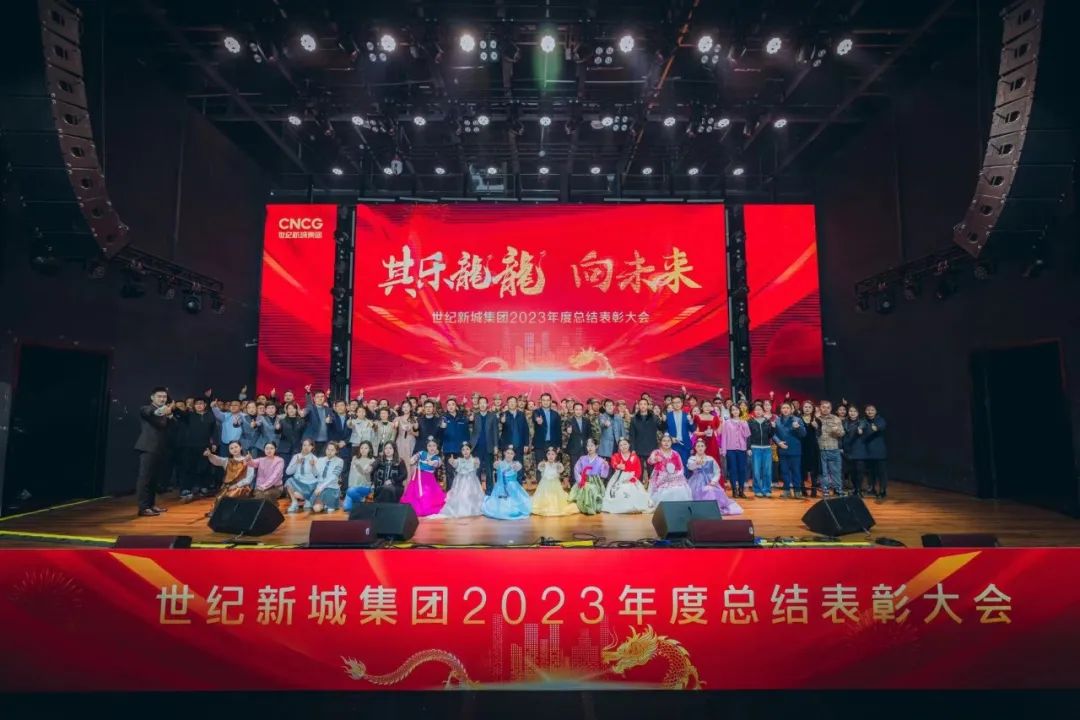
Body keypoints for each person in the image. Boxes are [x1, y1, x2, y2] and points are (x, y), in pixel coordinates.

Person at [134, 387, 175, 516]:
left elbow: (170, 427)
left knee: (154, 479)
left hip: (160, 449)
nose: (162, 399)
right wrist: (163, 410)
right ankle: (143, 507)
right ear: (152, 397)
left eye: (164, 397)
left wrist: (170, 416)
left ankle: (151, 505)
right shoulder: (146, 409)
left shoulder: (165, 412)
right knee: (145, 478)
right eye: (159, 396)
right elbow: (151, 412)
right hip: (148, 447)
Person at [174, 396, 216, 501]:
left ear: (205, 405)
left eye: (201, 403)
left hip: (205, 446)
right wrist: (174, 407)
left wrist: (214, 443)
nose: (199, 406)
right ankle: (186, 489)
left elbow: (214, 431)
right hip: (190, 446)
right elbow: (180, 413)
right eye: (197, 404)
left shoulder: (210, 416)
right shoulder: (190, 415)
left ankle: (203, 487)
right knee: (188, 467)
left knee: (204, 467)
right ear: (194, 406)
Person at [687, 439, 743, 515]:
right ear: (695, 448)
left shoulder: (710, 459)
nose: (700, 448)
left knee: (711, 490)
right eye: (698, 446)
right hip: (697, 482)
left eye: (702, 446)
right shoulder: (692, 458)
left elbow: (717, 471)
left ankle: (712, 508)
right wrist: (696, 463)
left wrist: (714, 481)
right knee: (697, 493)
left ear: (705, 447)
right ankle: (702, 508)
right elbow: (690, 467)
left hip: (710, 481)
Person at [603, 438, 653, 514]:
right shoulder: (616, 456)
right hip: (619, 478)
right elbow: (613, 463)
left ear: (629, 445)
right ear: (619, 447)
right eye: (621, 445)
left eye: (625, 444)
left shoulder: (634, 456)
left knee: (634, 490)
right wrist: (618, 466)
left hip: (632, 478)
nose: (623, 446)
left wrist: (633, 478)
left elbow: (638, 470)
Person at [482, 446, 532, 519]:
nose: (509, 455)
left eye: (511, 453)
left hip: (513, 488)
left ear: (514, 455)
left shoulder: (516, 464)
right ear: (504, 453)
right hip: (500, 487)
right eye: (508, 453)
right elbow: (495, 466)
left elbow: (518, 468)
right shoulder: (499, 464)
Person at [438, 443, 486, 518]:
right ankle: (461, 509)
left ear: (470, 450)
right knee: (461, 495)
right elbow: (454, 463)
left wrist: (476, 463)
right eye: (463, 450)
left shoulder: (474, 460)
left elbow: (477, 465)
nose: (465, 451)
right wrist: (452, 462)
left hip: (471, 483)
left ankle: (471, 509)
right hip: (460, 483)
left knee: (470, 495)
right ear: (461, 451)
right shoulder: (459, 460)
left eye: (467, 449)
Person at [403, 439, 448, 517]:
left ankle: (423, 508)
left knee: (426, 494)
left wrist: (432, 463)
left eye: (434, 446)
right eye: (429, 446)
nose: (432, 448)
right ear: (426, 447)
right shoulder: (422, 453)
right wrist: (413, 459)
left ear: (437, 447)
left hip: (428, 479)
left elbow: (437, 464)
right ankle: (413, 508)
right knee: (414, 493)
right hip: (417, 477)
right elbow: (413, 459)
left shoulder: (437, 458)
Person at [204, 441, 254, 510]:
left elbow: (249, 479)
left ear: (241, 447)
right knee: (219, 498)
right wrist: (210, 455)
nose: (234, 449)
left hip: (242, 487)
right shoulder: (227, 461)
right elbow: (217, 460)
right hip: (228, 487)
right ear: (229, 450)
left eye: (236, 447)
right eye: (231, 448)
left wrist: (236, 486)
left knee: (230, 497)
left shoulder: (247, 460)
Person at [532, 447, 579, 516]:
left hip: (555, 485)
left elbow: (561, 470)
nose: (550, 456)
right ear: (546, 455)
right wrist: (542, 464)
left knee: (556, 498)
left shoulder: (558, 465)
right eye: (548, 454)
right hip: (544, 486)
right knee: (542, 498)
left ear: (556, 455)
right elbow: (540, 468)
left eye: (553, 454)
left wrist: (559, 466)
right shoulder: (544, 464)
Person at [774, 402, 807, 499]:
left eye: (787, 408)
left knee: (796, 471)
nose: (785, 410)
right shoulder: (777, 421)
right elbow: (774, 434)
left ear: (791, 409)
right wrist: (779, 442)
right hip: (783, 449)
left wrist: (798, 427)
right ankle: (786, 490)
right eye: (783, 408)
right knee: (784, 471)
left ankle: (797, 491)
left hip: (795, 450)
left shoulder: (797, 420)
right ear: (781, 410)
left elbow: (803, 434)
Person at [647, 434, 692, 502]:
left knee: (680, 488)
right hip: (660, 476)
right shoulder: (656, 452)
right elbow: (649, 461)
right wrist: (655, 459)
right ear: (661, 442)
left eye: (668, 441)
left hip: (674, 476)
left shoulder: (675, 454)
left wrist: (675, 475)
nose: (666, 443)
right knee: (666, 491)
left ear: (671, 442)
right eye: (664, 441)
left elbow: (681, 468)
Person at [629, 399, 664, 483]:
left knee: (652, 472)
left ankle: (652, 488)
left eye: (645, 404)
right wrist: (633, 449)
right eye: (641, 404)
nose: (643, 406)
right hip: (638, 449)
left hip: (651, 448)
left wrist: (663, 420)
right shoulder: (634, 419)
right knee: (639, 472)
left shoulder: (654, 417)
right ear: (638, 406)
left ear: (648, 406)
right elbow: (632, 435)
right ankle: (639, 488)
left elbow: (662, 428)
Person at [570, 438, 608, 515]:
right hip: (583, 480)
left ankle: (592, 506)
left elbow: (603, 475)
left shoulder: (600, 460)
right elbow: (576, 469)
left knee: (592, 489)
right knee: (586, 489)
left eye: (592, 446)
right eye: (588, 446)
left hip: (595, 482)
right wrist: (580, 480)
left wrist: (605, 466)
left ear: (596, 446)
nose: (589, 448)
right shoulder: (582, 458)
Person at [469, 396, 499, 495]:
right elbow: (468, 426)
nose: (482, 405)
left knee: (489, 470)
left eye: (484, 403)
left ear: (487, 404)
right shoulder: (474, 415)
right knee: (477, 470)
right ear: (478, 404)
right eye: (480, 403)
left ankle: (489, 491)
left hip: (489, 447)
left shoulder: (492, 416)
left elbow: (495, 431)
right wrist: (470, 420)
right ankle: (477, 492)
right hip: (476, 447)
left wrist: (496, 446)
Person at [721, 406, 751, 498]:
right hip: (730, 449)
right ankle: (734, 490)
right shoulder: (727, 423)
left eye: (737, 409)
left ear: (739, 411)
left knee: (742, 470)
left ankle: (741, 490)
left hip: (742, 449)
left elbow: (747, 435)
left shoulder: (744, 422)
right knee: (733, 470)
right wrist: (724, 450)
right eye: (733, 410)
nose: (735, 411)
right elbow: (724, 437)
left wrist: (744, 425)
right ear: (731, 412)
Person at [817, 401, 845, 498]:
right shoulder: (816, 419)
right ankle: (825, 490)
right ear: (820, 408)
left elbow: (842, 433)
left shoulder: (835, 419)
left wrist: (836, 430)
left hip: (833, 449)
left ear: (831, 408)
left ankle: (838, 489)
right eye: (823, 407)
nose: (825, 409)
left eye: (828, 407)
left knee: (836, 471)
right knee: (823, 472)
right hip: (820, 449)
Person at [440, 399, 469, 490]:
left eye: (453, 404)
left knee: (462, 472)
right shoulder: (443, 418)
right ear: (446, 407)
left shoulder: (463, 418)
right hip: (449, 450)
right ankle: (450, 493)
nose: (451, 406)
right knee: (450, 473)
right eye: (449, 405)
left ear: (456, 406)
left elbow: (467, 434)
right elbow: (439, 434)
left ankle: (462, 492)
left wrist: (467, 448)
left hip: (461, 451)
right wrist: (441, 428)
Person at [748, 405, 776, 498]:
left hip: (767, 448)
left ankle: (766, 489)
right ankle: (757, 490)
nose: (758, 411)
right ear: (753, 411)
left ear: (763, 411)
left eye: (760, 409)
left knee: (767, 471)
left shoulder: (767, 421)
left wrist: (773, 427)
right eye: (756, 410)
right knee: (756, 471)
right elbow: (748, 436)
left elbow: (770, 435)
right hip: (755, 448)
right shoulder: (750, 422)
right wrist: (748, 448)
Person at [862, 404, 889, 500]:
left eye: (872, 410)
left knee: (881, 472)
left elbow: (881, 426)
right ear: (865, 411)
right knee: (870, 472)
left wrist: (875, 428)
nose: (870, 412)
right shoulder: (863, 421)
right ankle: (871, 488)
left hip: (879, 452)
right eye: (868, 410)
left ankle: (882, 490)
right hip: (868, 451)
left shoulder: (880, 419)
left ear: (876, 411)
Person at [797, 401, 822, 497]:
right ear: (802, 408)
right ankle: (802, 488)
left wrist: (817, 427)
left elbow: (820, 434)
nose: (807, 409)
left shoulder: (817, 420)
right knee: (801, 468)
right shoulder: (798, 419)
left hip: (813, 447)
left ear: (813, 409)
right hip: (801, 446)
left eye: (809, 407)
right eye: (805, 407)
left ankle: (814, 489)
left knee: (813, 468)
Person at [665, 396, 695, 476]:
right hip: (673, 444)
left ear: (681, 403)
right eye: (674, 403)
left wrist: (690, 421)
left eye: (678, 402)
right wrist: (670, 438)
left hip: (684, 444)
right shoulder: (668, 416)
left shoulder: (687, 415)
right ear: (672, 404)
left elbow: (693, 430)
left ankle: (687, 481)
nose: (677, 404)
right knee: (673, 465)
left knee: (686, 464)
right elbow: (666, 429)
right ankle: (675, 482)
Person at [344, 441, 375, 512]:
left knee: (350, 491)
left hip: (364, 487)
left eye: (366, 448)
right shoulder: (354, 458)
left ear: (370, 449)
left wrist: (358, 465)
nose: (363, 450)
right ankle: (361, 501)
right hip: (353, 486)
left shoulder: (372, 460)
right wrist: (350, 485)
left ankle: (360, 500)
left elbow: (365, 474)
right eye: (361, 448)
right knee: (346, 507)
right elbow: (351, 473)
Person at [563, 402, 593, 472]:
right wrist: (568, 432)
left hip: (585, 449)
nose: (578, 411)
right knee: (574, 469)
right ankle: (573, 479)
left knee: (585, 469)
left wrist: (590, 445)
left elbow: (590, 434)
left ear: (582, 410)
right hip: (573, 449)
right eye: (576, 409)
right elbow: (563, 435)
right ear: (573, 410)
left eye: (580, 409)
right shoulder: (568, 421)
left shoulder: (587, 420)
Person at [844, 406, 867, 496]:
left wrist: (860, 429)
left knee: (859, 471)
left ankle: (859, 490)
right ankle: (855, 489)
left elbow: (863, 426)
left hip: (859, 450)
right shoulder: (845, 422)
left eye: (854, 411)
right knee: (852, 471)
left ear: (858, 413)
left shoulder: (861, 421)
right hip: (848, 450)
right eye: (850, 411)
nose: (852, 413)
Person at [499, 396, 530, 463]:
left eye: (514, 402)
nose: (512, 403)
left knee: (519, 466)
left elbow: (526, 430)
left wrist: (526, 444)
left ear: (516, 403)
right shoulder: (503, 414)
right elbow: (500, 423)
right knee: (506, 467)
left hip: (519, 446)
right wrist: (502, 421)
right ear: (507, 403)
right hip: (507, 447)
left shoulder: (521, 415)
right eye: (510, 402)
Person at [692, 399, 723, 467]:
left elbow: (718, 432)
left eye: (709, 406)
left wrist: (721, 422)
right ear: (701, 407)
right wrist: (704, 433)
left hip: (712, 442)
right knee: (700, 462)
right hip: (700, 442)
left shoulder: (715, 418)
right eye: (705, 406)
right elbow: (694, 432)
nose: (707, 408)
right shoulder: (697, 417)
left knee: (713, 461)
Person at [301, 386, 332, 453]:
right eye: (318, 397)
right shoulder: (310, 408)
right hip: (311, 441)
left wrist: (330, 420)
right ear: (314, 399)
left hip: (325, 442)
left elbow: (333, 419)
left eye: (322, 396)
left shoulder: (328, 409)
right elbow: (306, 410)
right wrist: (303, 413)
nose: (320, 398)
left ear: (324, 398)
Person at [531, 393, 562, 459]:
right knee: (540, 464)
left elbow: (558, 431)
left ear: (550, 401)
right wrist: (537, 419)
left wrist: (559, 445)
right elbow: (535, 416)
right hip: (539, 444)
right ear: (541, 401)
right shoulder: (536, 411)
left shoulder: (555, 414)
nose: (546, 402)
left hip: (552, 444)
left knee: (552, 465)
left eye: (547, 400)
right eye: (544, 400)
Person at [394, 401, 418, 472]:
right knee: (400, 460)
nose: (405, 408)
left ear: (411, 408)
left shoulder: (415, 419)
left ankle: (410, 478)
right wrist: (394, 426)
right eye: (404, 407)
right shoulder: (397, 419)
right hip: (400, 441)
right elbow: (394, 430)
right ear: (401, 408)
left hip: (411, 441)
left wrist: (411, 431)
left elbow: (418, 433)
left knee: (410, 461)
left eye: (407, 406)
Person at [327, 400, 352, 467]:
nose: (340, 407)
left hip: (347, 448)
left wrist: (345, 442)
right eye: (337, 406)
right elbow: (329, 432)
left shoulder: (352, 418)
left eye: (342, 405)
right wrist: (335, 443)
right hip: (334, 449)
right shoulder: (331, 418)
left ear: (346, 407)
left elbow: (354, 433)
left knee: (345, 469)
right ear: (335, 408)